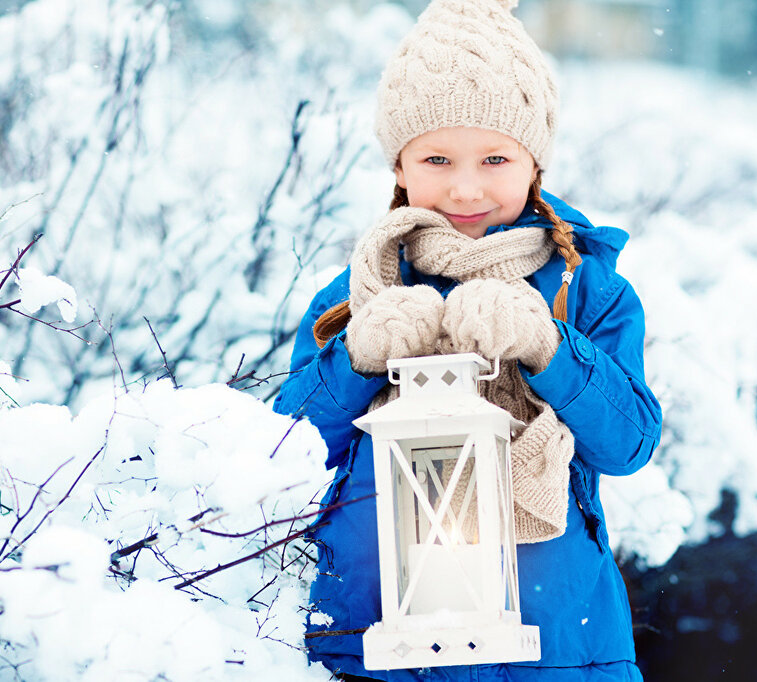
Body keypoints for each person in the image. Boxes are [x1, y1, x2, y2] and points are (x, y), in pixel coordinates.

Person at [272, 0, 663, 680]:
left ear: (533, 163)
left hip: (554, 649)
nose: (465, 185)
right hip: (376, 648)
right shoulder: (354, 294)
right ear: (399, 165)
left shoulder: (589, 289)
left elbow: (628, 444)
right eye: (436, 157)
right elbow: (285, 459)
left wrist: (550, 348)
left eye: (494, 158)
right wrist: (356, 358)